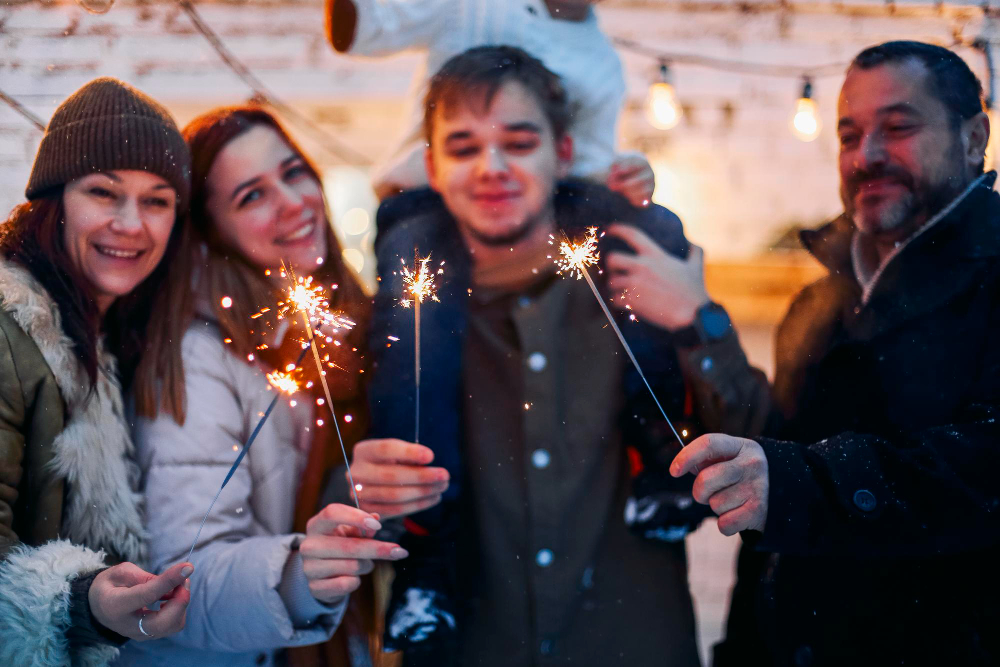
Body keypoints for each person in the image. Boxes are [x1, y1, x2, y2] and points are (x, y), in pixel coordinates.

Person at [361, 45, 765, 666]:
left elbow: (765, 450)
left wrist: (700, 324)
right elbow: (345, 479)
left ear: (565, 154)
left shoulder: (645, 279)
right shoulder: (401, 319)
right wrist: (366, 489)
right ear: (433, 170)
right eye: (464, 148)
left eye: (519, 142)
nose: (492, 166)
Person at [667, 41, 1000, 665]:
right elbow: (773, 488)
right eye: (849, 136)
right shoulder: (817, 303)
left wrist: (802, 482)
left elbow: (984, 468)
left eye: (898, 128)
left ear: (973, 135)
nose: (867, 156)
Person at [116, 106, 408, 667]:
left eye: (293, 172)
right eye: (251, 196)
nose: (293, 202)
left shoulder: (339, 333)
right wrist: (300, 574)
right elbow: (177, 581)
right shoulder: (198, 358)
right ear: (210, 231)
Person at [0, 77, 195, 665]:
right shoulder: (9, 333)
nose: (132, 223)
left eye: (157, 199)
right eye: (104, 193)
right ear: (54, 202)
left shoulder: (109, 337)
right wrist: (81, 602)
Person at [325, 0, 655, 206]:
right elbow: (364, 29)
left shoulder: (603, 67)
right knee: (422, 300)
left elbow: (587, 167)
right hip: (422, 197)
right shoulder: (471, 5)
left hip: (525, 215)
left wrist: (626, 177)